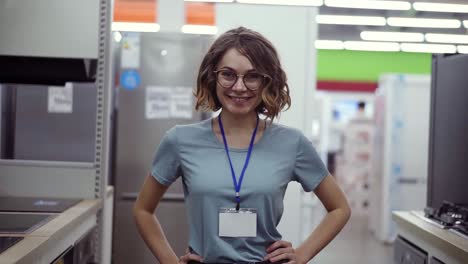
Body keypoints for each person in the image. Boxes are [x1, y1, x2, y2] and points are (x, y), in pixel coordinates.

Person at [133, 27, 351, 264]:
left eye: (252, 76)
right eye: (228, 74)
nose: (239, 87)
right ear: (212, 77)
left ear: (268, 81)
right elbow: (143, 210)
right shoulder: (180, 140)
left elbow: (339, 208)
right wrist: (169, 261)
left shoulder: (292, 143)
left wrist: (302, 254)